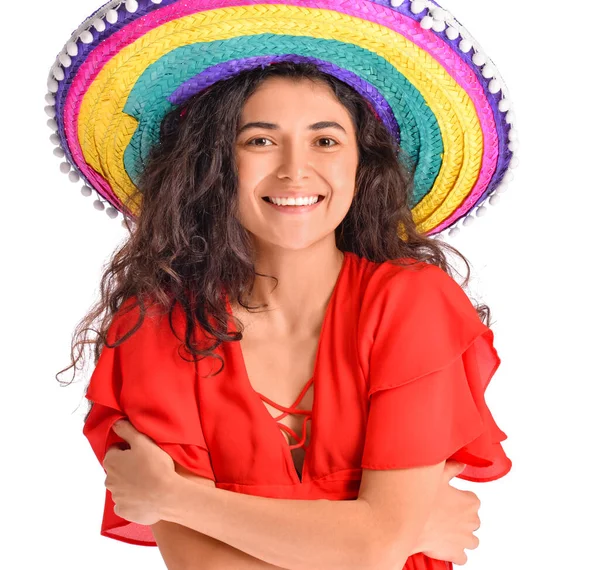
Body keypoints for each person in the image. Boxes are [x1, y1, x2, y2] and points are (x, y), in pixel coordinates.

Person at [48, 1, 515, 568]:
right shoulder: (156, 331)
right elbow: (206, 565)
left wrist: (175, 497)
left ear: (361, 165)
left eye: (325, 141)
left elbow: (377, 543)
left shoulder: (411, 303)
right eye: (260, 141)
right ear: (215, 164)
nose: (295, 170)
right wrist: (382, 534)